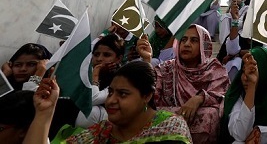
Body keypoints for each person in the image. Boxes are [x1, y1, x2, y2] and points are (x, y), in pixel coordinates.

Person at [25, 61, 192, 143]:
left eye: (123, 94)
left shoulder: (170, 128)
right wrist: (44, 112)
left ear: (146, 96)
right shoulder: (101, 132)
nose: (111, 100)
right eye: (111, 92)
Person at [139, 24, 230, 143]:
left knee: (210, 113)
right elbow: (150, 98)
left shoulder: (215, 70)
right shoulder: (166, 68)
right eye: (183, 39)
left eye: (194, 40)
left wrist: (199, 98)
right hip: (167, 126)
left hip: (199, 125)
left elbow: (221, 96)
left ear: (204, 45)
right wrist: (146, 61)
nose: (187, 44)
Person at [221, 48, 267, 143]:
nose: (245, 77)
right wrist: (251, 87)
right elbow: (240, 134)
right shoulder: (237, 94)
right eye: (244, 71)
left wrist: (261, 133)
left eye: (253, 71)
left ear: (266, 72)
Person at [75, 33, 125, 128]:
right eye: (96, 54)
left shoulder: (120, 77)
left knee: (92, 112)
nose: (99, 59)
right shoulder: (85, 71)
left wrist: (96, 73)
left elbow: (92, 99)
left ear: (119, 58)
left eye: (106, 55)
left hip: (107, 121)